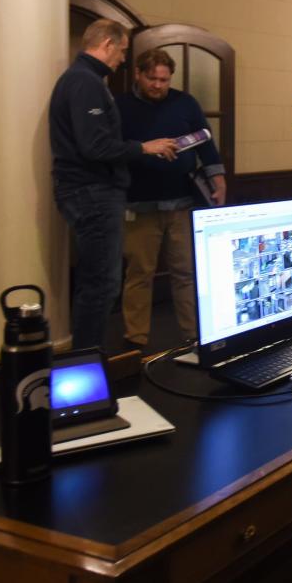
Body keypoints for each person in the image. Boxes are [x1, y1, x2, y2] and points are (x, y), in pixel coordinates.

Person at [48, 20, 178, 350]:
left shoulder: (85, 80)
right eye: (121, 51)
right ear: (107, 44)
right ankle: (87, 365)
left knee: (98, 281)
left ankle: (86, 359)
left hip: (91, 191)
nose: (122, 59)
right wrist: (144, 147)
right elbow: (95, 147)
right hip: (92, 192)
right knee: (101, 284)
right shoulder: (84, 82)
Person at [115, 48, 226, 349]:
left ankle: (193, 335)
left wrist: (219, 181)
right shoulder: (120, 105)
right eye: (152, 78)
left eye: (164, 80)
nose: (158, 85)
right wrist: (144, 147)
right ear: (138, 74)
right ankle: (135, 340)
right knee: (139, 275)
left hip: (181, 203)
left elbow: (206, 144)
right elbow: (110, 147)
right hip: (139, 205)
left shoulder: (185, 103)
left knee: (186, 273)